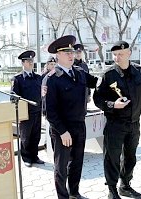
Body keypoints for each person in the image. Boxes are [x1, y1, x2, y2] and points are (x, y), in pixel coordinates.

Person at [93, 41, 141, 199]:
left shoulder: (139, 72)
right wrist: (113, 104)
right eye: (114, 54)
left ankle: (125, 185)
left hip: (134, 123)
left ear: (129, 53)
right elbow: (97, 98)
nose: (117, 57)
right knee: (112, 157)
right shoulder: (108, 75)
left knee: (130, 157)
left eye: (120, 54)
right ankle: (112, 190)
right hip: (115, 124)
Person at [45, 35, 98, 199]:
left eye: (72, 51)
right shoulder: (51, 79)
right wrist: (62, 131)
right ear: (58, 55)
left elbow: (97, 83)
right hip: (63, 130)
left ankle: (74, 192)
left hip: (79, 126)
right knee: (61, 167)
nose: (70, 55)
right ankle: (63, 196)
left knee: (77, 163)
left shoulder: (80, 73)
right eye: (66, 52)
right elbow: (49, 112)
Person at [11, 50, 44, 167]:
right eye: (28, 61)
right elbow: (13, 97)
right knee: (25, 137)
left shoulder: (38, 78)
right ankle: (26, 157)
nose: (31, 63)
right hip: (26, 113)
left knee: (36, 135)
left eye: (32, 60)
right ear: (23, 63)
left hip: (37, 111)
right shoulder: (18, 79)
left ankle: (34, 156)